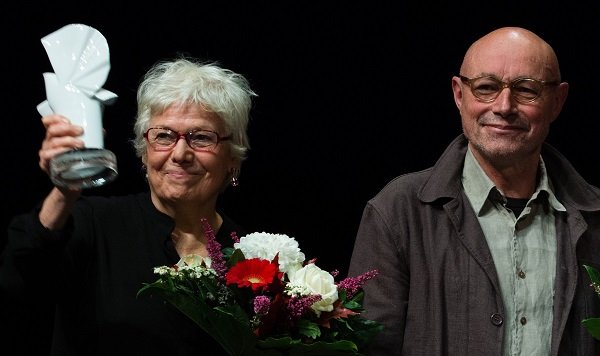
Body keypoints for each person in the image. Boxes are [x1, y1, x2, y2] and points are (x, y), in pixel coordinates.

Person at [348, 27, 600, 355]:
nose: (504, 105)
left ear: (557, 101)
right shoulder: (397, 212)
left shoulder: (595, 218)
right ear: (458, 94)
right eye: (486, 87)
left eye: (526, 90)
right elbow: (368, 348)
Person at [0, 57, 257, 355]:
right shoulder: (93, 223)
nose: (180, 153)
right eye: (164, 136)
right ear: (143, 153)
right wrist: (63, 191)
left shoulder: (251, 257)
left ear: (233, 159)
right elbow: (18, 282)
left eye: (201, 138)